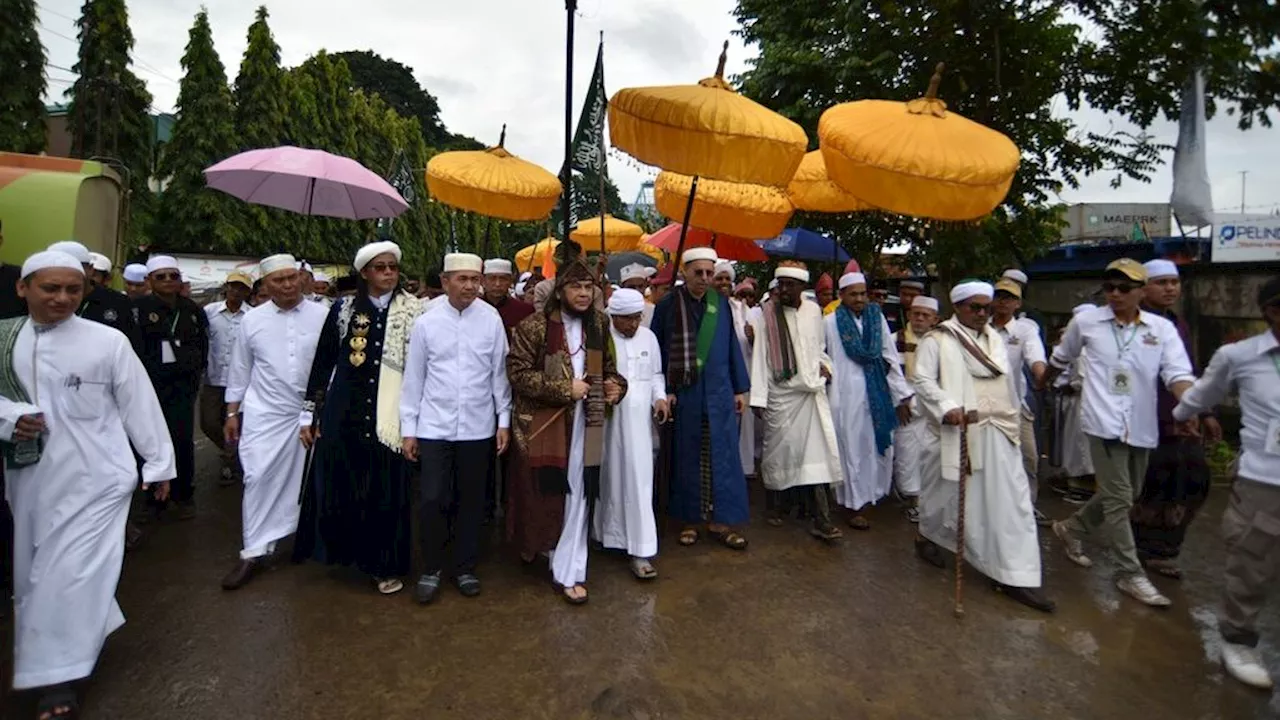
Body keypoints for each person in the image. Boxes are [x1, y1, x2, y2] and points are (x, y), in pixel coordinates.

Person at [1, 250, 174, 717]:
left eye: (72, 290)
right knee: (36, 574)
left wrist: (159, 465)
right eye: (50, 288)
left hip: (100, 478)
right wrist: (8, 418)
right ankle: (84, 626)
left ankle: (57, 680)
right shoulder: (5, 339)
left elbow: (139, 403)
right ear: (23, 288)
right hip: (30, 479)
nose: (62, 298)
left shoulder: (108, 341)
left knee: (66, 572)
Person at [1045, 258, 1195, 608]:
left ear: (1141, 291)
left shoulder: (1160, 330)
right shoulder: (1087, 322)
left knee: (1130, 493)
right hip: (1101, 422)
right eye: (1109, 287)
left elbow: (1177, 373)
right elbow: (1061, 357)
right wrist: (1044, 379)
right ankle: (1130, 573)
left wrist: (1191, 407)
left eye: (1124, 288)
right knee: (1117, 499)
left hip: (1141, 425)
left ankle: (1071, 528)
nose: (1115, 294)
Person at [912, 280, 1054, 613]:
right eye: (974, 307)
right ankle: (927, 536)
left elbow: (1003, 381)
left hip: (1000, 428)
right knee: (943, 493)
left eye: (985, 308)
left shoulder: (994, 339)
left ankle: (1013, 572)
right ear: (957, 307)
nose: (981, 314)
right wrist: (947, 407)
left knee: (1011, 500)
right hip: (958, 428)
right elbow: (923, 380)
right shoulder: (938, 339)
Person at [294, 241, 423, 596]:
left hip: (391, 414)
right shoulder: (343, 310)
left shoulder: (416, 312)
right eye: (380, 268)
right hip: (346, 411)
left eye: (393, 268)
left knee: (389, 489)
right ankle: (348, 556)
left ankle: (385, 565)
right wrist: (310, 414)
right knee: (346, 482)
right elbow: (323, 363)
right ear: (364, 273)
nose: (388, 274)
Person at [1171, 276, 1280, 689]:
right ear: (1271, 311)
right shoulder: (1240, 356)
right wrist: (1184, 417)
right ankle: (1238, 638)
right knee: (1253, 562)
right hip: (1265, 479)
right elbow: (1200, 396)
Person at [507, 242, 625, 604]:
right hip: (546, 428)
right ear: (560, 291)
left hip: (587, 426)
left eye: (589, 288)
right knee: (553, 495)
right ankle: (561, 564)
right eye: (576, 287)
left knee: (580, 496)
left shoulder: (599, 324)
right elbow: (516, 373)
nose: (584, 294)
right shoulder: (534, 326)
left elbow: (609, 370)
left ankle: (570, 566)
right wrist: (564, 389)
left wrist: (616, 387)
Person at [399, 252, 509, 603]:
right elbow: (414, 379)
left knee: (472, 501)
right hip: (434, 427)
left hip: (478, 428)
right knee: (432, 498)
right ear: (445, 282)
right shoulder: (427, 322)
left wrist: (503, 421)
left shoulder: (491, 319)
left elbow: (499, 376)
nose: (470, 286)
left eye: (474, 279)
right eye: (461, 279)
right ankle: (432, 567)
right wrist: (409, 428)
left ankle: (464, 567)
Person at [221, 254, 327, 590]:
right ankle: (253, 550)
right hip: (266, 413)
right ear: (264, 286)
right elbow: (239, 370)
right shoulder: (252, 322)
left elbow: (332, 369)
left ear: (301, 278)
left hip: (310, 412)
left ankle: (299, 537)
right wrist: (231, 412)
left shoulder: (324, 316)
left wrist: (323, 411)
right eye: (278, 280)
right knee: (257, 475)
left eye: (291, 278)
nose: (287, 285)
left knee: (307, 479)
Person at [651, 247, 752, 550]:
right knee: (687, 457)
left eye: (710, 273)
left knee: (721, 458)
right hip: (685, 394)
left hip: (720, 393)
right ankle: (689, 521)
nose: (706, 279)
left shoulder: (720, 304)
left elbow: (732, 346)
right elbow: (657, 351)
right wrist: (664, 390)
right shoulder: (668, 304)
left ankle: (722, 521)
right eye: (699, 273)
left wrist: (739, 389)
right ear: (685, 272)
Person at [1130, 259, 1220, 580]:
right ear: (1143, 289)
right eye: (1161, 282)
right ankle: (1145, 549)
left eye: (1174, 282)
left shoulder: (1177, 324)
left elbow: (1188, 370)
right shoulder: (1133, 325)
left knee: (1193, 480)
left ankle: (1165, 547)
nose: (1170, 288)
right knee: (1151, 484)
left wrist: (1203, 411)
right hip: (1146, 420)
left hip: (1181, 417)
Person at [750, 262, 844, 541]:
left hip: (812, 394)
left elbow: (819, 348)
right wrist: (759, 397)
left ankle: (821, 519)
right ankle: (775, 505)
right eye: (781, 284)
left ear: (803, 287)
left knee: (817, 456)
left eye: (791, 284)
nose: (785, 290)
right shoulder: (766, 316)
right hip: (781, 395)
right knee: (780, 454)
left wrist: (826, 366)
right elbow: (759, 358)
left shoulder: (814, 311)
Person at [826, 271, 913, 530]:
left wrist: (901, 396)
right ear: (841, 296)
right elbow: (820, 355)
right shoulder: (830, 322)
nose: (860, 298)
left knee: (873, 447)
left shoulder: (877, 320)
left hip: (875, 392)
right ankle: (851, 504)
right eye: (853, 294)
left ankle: (870, 496)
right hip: (844, 396)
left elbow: (890, 358)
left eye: (863, 293)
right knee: (849, 449)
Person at [594, 289, 666, 579]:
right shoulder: (601, 339)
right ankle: (606, 537)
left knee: (639, 484)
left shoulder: (649, 337)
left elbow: (656, 375)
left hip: (639, 427)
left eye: (636, 318)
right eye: (625, 319)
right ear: (613, 317)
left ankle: (641, 549)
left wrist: (659, 398)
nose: (632, 325)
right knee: (607, 480)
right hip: (607, 425)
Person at [134, 256, 208, 520]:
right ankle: (151, 498)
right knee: (148, 440)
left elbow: (203, 345)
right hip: (149, 386)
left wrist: (196, 373)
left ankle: (182, 494)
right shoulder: (138, 308)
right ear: (149, 280)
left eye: (173, 276)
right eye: (161, 276)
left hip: (182, 387)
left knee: (181, 440)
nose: (167, 281)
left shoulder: (192, 309)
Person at [989, 278, 1048, 523]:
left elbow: (1035, 355)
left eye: (1010, 297)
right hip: (983, 406)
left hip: (1015, 405)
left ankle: (1027, 506)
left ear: (1018, 303)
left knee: (1028, 457)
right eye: (1000, 295)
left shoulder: (1025, 330)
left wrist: (1041, 373)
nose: (1003, 301)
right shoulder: (980, 327)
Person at [201, 272, 251, 486]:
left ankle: (229, 462)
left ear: (248, 292)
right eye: (233, 287)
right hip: (213, 379)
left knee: (234, 423)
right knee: (208, 423)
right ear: (226, 287)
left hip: (239, 381)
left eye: (241, 288)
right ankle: (233, 452)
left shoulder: (252, 316)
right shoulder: (209, 312)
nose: (236, 291)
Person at [892, 295, 939, 522]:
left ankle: (926, 499)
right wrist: (901, 401)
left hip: (933, 410)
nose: (919, 318)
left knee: (930, 456)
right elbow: (891, 374)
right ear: (909, 315)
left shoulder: (941, 344)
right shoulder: (895, 339)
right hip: (907, 408)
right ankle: (910, 499)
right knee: (906, 455)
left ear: (934, 319)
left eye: (925, 315)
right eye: (916, 314)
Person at [48, 240, 139, 352]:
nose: (66, 273)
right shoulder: (40, 299)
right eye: (57, 268)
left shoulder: (118, 302)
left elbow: (132, 346)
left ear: (90, 269)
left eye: (76, 267)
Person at [716, 260, 756, 477]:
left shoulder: (742, 309)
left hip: (742, 374)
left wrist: (753, 337)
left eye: (727, 279)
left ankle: (743, 468)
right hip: (720, 376)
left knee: (745, 424)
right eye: (719, 278)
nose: (723, 283)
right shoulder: (708, 307)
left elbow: (757, 342)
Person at [484, 258, 535, 336]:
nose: (497, 284)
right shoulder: (472, 309)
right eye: (492, 278)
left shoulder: (525, 311)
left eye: (503, 279)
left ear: (510, 281)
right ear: (483, 281)